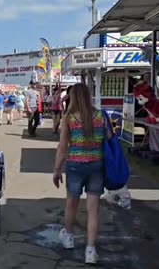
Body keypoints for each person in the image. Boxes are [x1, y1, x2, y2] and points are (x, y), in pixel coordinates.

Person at [53, 83, 110, 265]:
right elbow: (109, 137)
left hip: (75, 166)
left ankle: (69, 238)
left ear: (74, 98)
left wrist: (57, 169)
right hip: (96, 166)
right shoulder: (100, 116)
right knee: (93, 209)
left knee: (71, 204)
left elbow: (63, 146)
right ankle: (90, 251)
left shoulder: (69, 118)